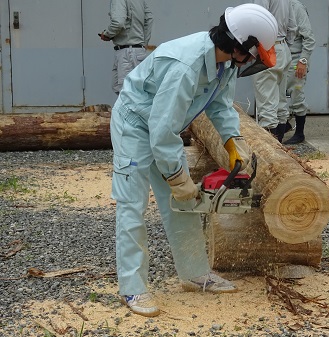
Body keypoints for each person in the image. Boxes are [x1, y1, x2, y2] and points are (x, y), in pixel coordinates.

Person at [110, 4, 278, 317]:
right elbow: (162, 130)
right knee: (132, 204)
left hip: (161, 126)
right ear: (241, 44)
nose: (254, 59)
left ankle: (194, 273)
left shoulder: (223, 63)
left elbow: (221, 105)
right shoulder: (186, 66)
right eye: (255, 52)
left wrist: (233, 140)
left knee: (184, 204)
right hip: (134, 124)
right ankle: (132, 287)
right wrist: (177, 178)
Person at [251, 0, 297, 143]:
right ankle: (280, 147)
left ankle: (270, 152)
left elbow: (259, 20)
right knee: (280, 102)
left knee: (267, 105)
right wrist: (285, 45)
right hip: (283, 47)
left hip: (268, 48)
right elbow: (293, 25)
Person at [99, 0, 153, 95]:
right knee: (131, 90)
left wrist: (108, 34)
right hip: (138, 51)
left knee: (127, 92)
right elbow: (149, 19)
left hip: (126, 52)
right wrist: (143, 43)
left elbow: (118, 23)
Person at [283, 0, 315, 145]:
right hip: (281, 57)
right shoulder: (277, 6)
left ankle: (299, 133)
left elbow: (309, 38)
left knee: (296, 94)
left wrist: (303, 61)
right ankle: (284, 125)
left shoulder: (297, 7)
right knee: (279, 95)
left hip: (296, 59)